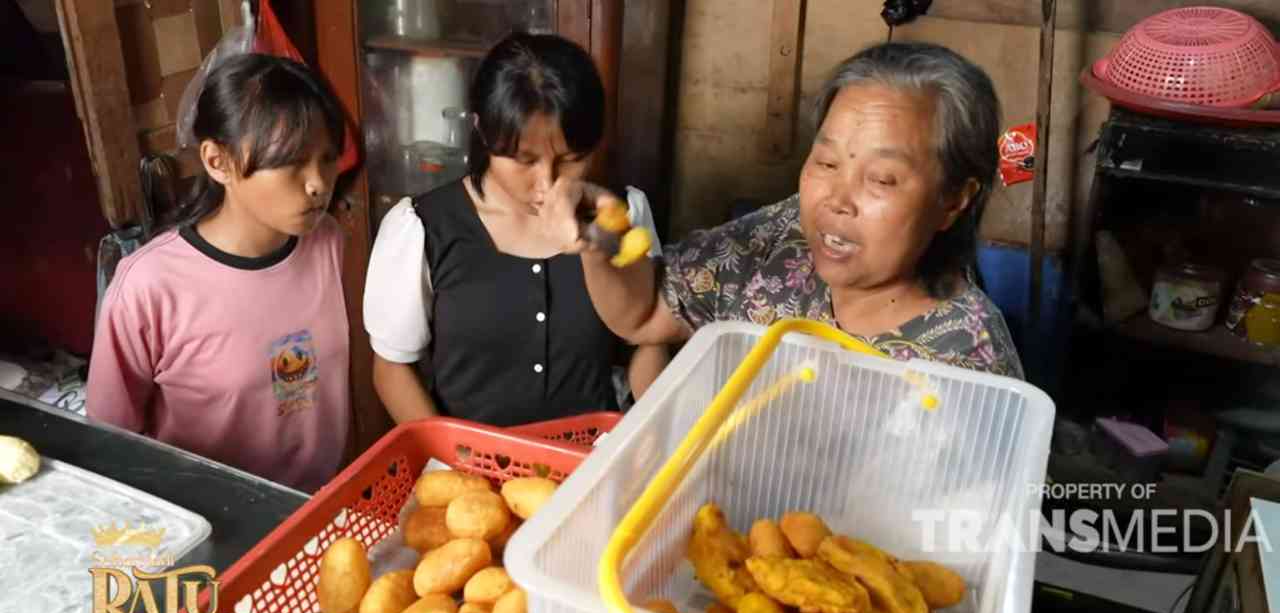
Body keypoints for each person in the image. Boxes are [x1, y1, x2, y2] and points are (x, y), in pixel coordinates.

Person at [561, 42, 1024, 378]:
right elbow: (644, 314)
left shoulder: (967, 361)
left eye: (882, 179)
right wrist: (598, 241)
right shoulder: (781, 239)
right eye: (826, 162)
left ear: (953, 201)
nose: (836, 200)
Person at [364, 32, 668, 427]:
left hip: (595, 458)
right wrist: (452, 463)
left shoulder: (622, 214)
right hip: (469, 465)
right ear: (483, 132)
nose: (547, 182)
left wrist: (648, 432)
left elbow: (649, 340)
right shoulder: (422, 228)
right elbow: (392, 369)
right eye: (524, 160)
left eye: (571, 159)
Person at [87, 54, 351, 492]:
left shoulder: (326, 241)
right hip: (210, 520)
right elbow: (111, 441)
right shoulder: (149, 286)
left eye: (327, 159)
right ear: (217, 161)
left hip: (313, 504)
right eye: (292, 162)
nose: (319, 183)